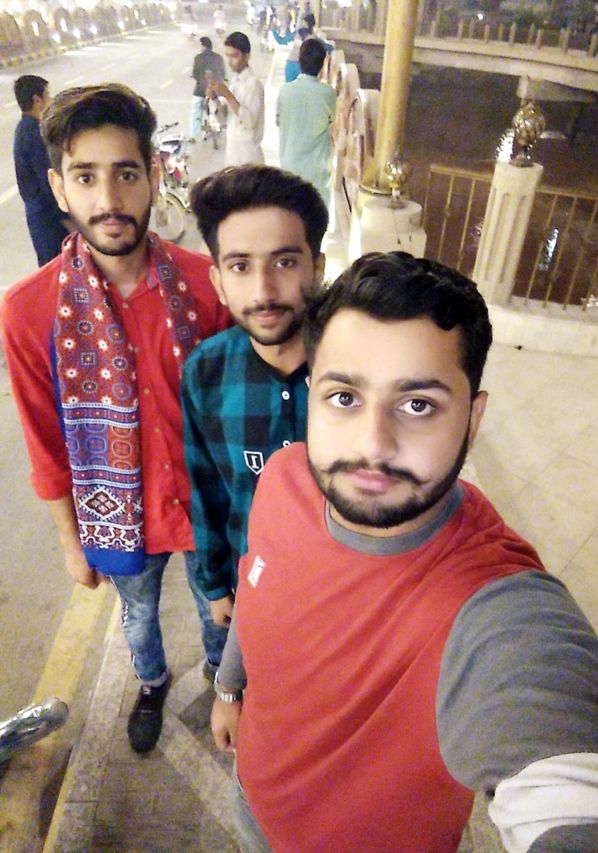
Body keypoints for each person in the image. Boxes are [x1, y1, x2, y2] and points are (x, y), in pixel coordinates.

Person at [212, 252, 598, 852]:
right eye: (344, 397)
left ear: (473, 419)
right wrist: (229, 689)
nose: (373, 445)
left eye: (418, 405)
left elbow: (574, 776)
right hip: (252, 803)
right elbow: (255, 586)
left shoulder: (492, 604)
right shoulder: (283, 479)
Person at [0, 84, 232, 756]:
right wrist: (71, 542)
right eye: (85, 177)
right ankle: (152, 683)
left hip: (206, 507)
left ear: (153, 176)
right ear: (58, 188)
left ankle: (223, 677)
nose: (108, 199)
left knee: (218, 609)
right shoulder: (29, 310)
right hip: (119, 517)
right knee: (138, 616)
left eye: (126, 174)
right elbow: (45, 443)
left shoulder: (207, 284)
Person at [182, 164, 328, 630]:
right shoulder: (206, 371)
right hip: (252, 587)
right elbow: (206, 488)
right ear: (219, 283)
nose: (264, 292)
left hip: (343, 595)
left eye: (284, 262)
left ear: (317, 268)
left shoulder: (358, 371)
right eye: (241, 266)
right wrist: (215, 584)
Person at [13, 75, 69, 267]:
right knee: (57, 269)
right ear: (37, 100)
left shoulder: (24, 128)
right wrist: (67, 219)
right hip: (49, 220)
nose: (51, 100)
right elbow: (48, 183)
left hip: (41, 217)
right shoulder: (34, 134)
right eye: (48, 95)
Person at [277, 38, 336, 208]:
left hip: (290, 167)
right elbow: (333, 121)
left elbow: (279, 121)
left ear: (299, 61)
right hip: (317, 172)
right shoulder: (328, 93)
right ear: (323, 64)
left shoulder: (285, 90)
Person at [207, 31, 265, 167]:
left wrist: (228, 95)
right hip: (233, 156)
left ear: (247, 56)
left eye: (234, 56)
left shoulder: (254, 84)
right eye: (228, 56)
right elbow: (224, 120)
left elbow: (249, 121)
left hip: (249, 159)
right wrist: (215, 99)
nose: (230, 61)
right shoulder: (234, 83)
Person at [190, 36, 225, 141]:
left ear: (203, 46)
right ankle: (220, 126)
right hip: (216, 91)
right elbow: (222, 74)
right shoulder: (218, 58)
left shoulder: (198, 58)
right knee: (221, 107)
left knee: (196, 111)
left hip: (200, 91)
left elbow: (195, 74)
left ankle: (194, 135)